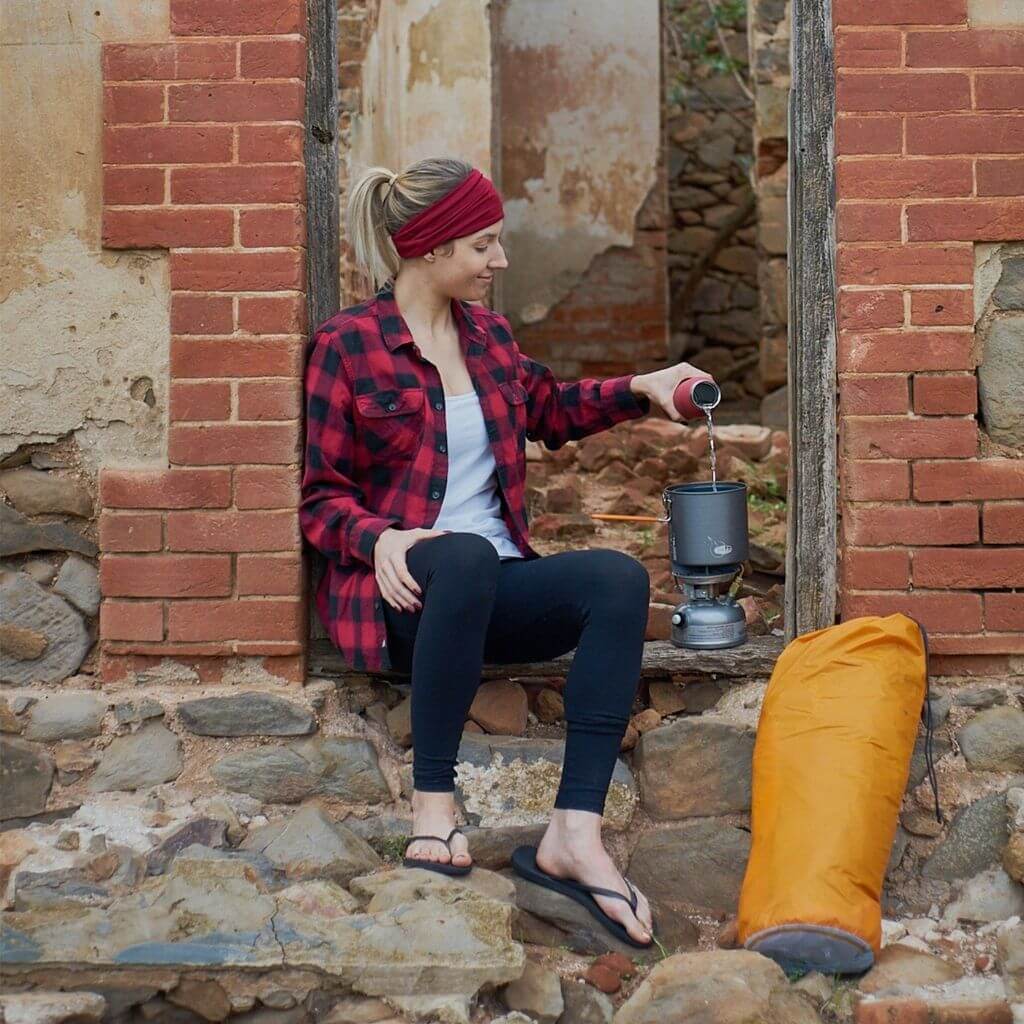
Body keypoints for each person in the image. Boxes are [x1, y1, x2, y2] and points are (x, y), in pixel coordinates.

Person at [300, 156, 708, 949]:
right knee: (462, 557)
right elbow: (320, 497)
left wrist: (642, 387)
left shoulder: (488, 337)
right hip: (412, 599)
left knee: (617, 579)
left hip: (491, 590)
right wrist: (379, 536)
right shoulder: (347, 345)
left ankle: (574, 833)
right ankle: (433, 806)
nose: (500, 261)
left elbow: (549, 408)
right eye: (484, 245)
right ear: (429, 248)